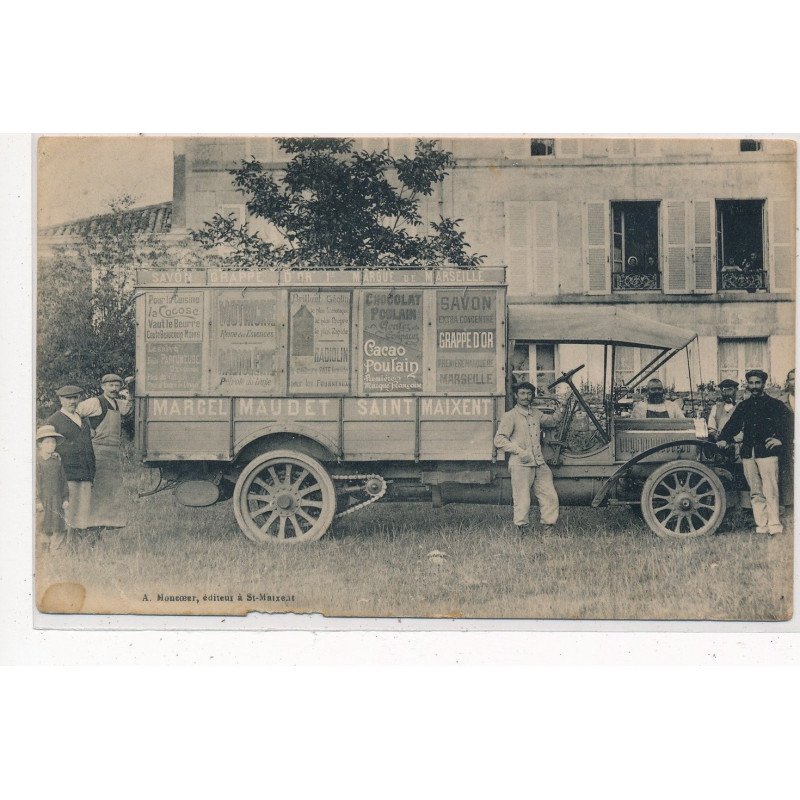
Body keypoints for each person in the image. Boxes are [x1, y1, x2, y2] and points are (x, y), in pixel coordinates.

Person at [717, 369, 793, 535]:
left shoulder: (775, 404)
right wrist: (723, 438)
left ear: (763, 384)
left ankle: (774, 525)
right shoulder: (744, 406)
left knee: (771, 490)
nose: (754, 386)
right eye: (751, 383)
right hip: (748, 454)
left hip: (767, 453)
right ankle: (762, 525)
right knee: (755, 491)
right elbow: (733, 425)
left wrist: (780, 440)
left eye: (757, 383)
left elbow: (792, 425)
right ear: (747, 385)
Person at [494, 381, 563, 534]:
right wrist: (519, 451)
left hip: (539, 463)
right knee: (522, 499)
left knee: (549, 496)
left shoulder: (536, 413)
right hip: (520, 464)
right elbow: (499, 440)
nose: (526, 397)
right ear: (516, 396)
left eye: (529, 394)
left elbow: (552, 421)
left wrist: (562, 407)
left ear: (532, 396)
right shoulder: (510, 416)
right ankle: (522, 532)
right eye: (522, 393)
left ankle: (548, 530)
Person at [77, 373, 133, 529]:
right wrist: (86, 429)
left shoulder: (118, 403)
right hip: (98, 452)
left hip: (113, 453)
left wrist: (132, 388)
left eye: (117, 386)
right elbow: (74, 413)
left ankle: (109, 523)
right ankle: (92, 525)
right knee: (98, 489)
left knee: (112, 489)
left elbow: (129, 408)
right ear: (103, 387)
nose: (114, 389)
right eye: (111, 385)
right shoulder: (95, 402)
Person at [45, 385, 95, 533]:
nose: (72, 401)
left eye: (75, 398)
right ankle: (65, 543)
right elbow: (46, 446)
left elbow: (88, 446)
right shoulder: (54, 420)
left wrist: (91, 471)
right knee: (68, 510)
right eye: (68, 398)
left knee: (83, 511)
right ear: (61, 399)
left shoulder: (83, 421)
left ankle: (79, 542)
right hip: (67, 473)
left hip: (85, 473)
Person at [35, 425, 70, 552]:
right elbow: (35, 484)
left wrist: (65, 498)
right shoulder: (37, 462)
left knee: (57, 524)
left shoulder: (57, 462)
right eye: (47, 442)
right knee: (43, 525)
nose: (51, 445)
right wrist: (37, 501)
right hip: (43, 500)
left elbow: (63, 481)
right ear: (40, 445)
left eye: (53, 442)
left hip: (56, 500)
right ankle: (42, 551)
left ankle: (55, 550)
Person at [779, 369, 794, 508]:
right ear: (788, 382)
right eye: (792, 379)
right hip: (787, 441)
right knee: (788, 470)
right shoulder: (781, 401)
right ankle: (790, 503)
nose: (796, 382)